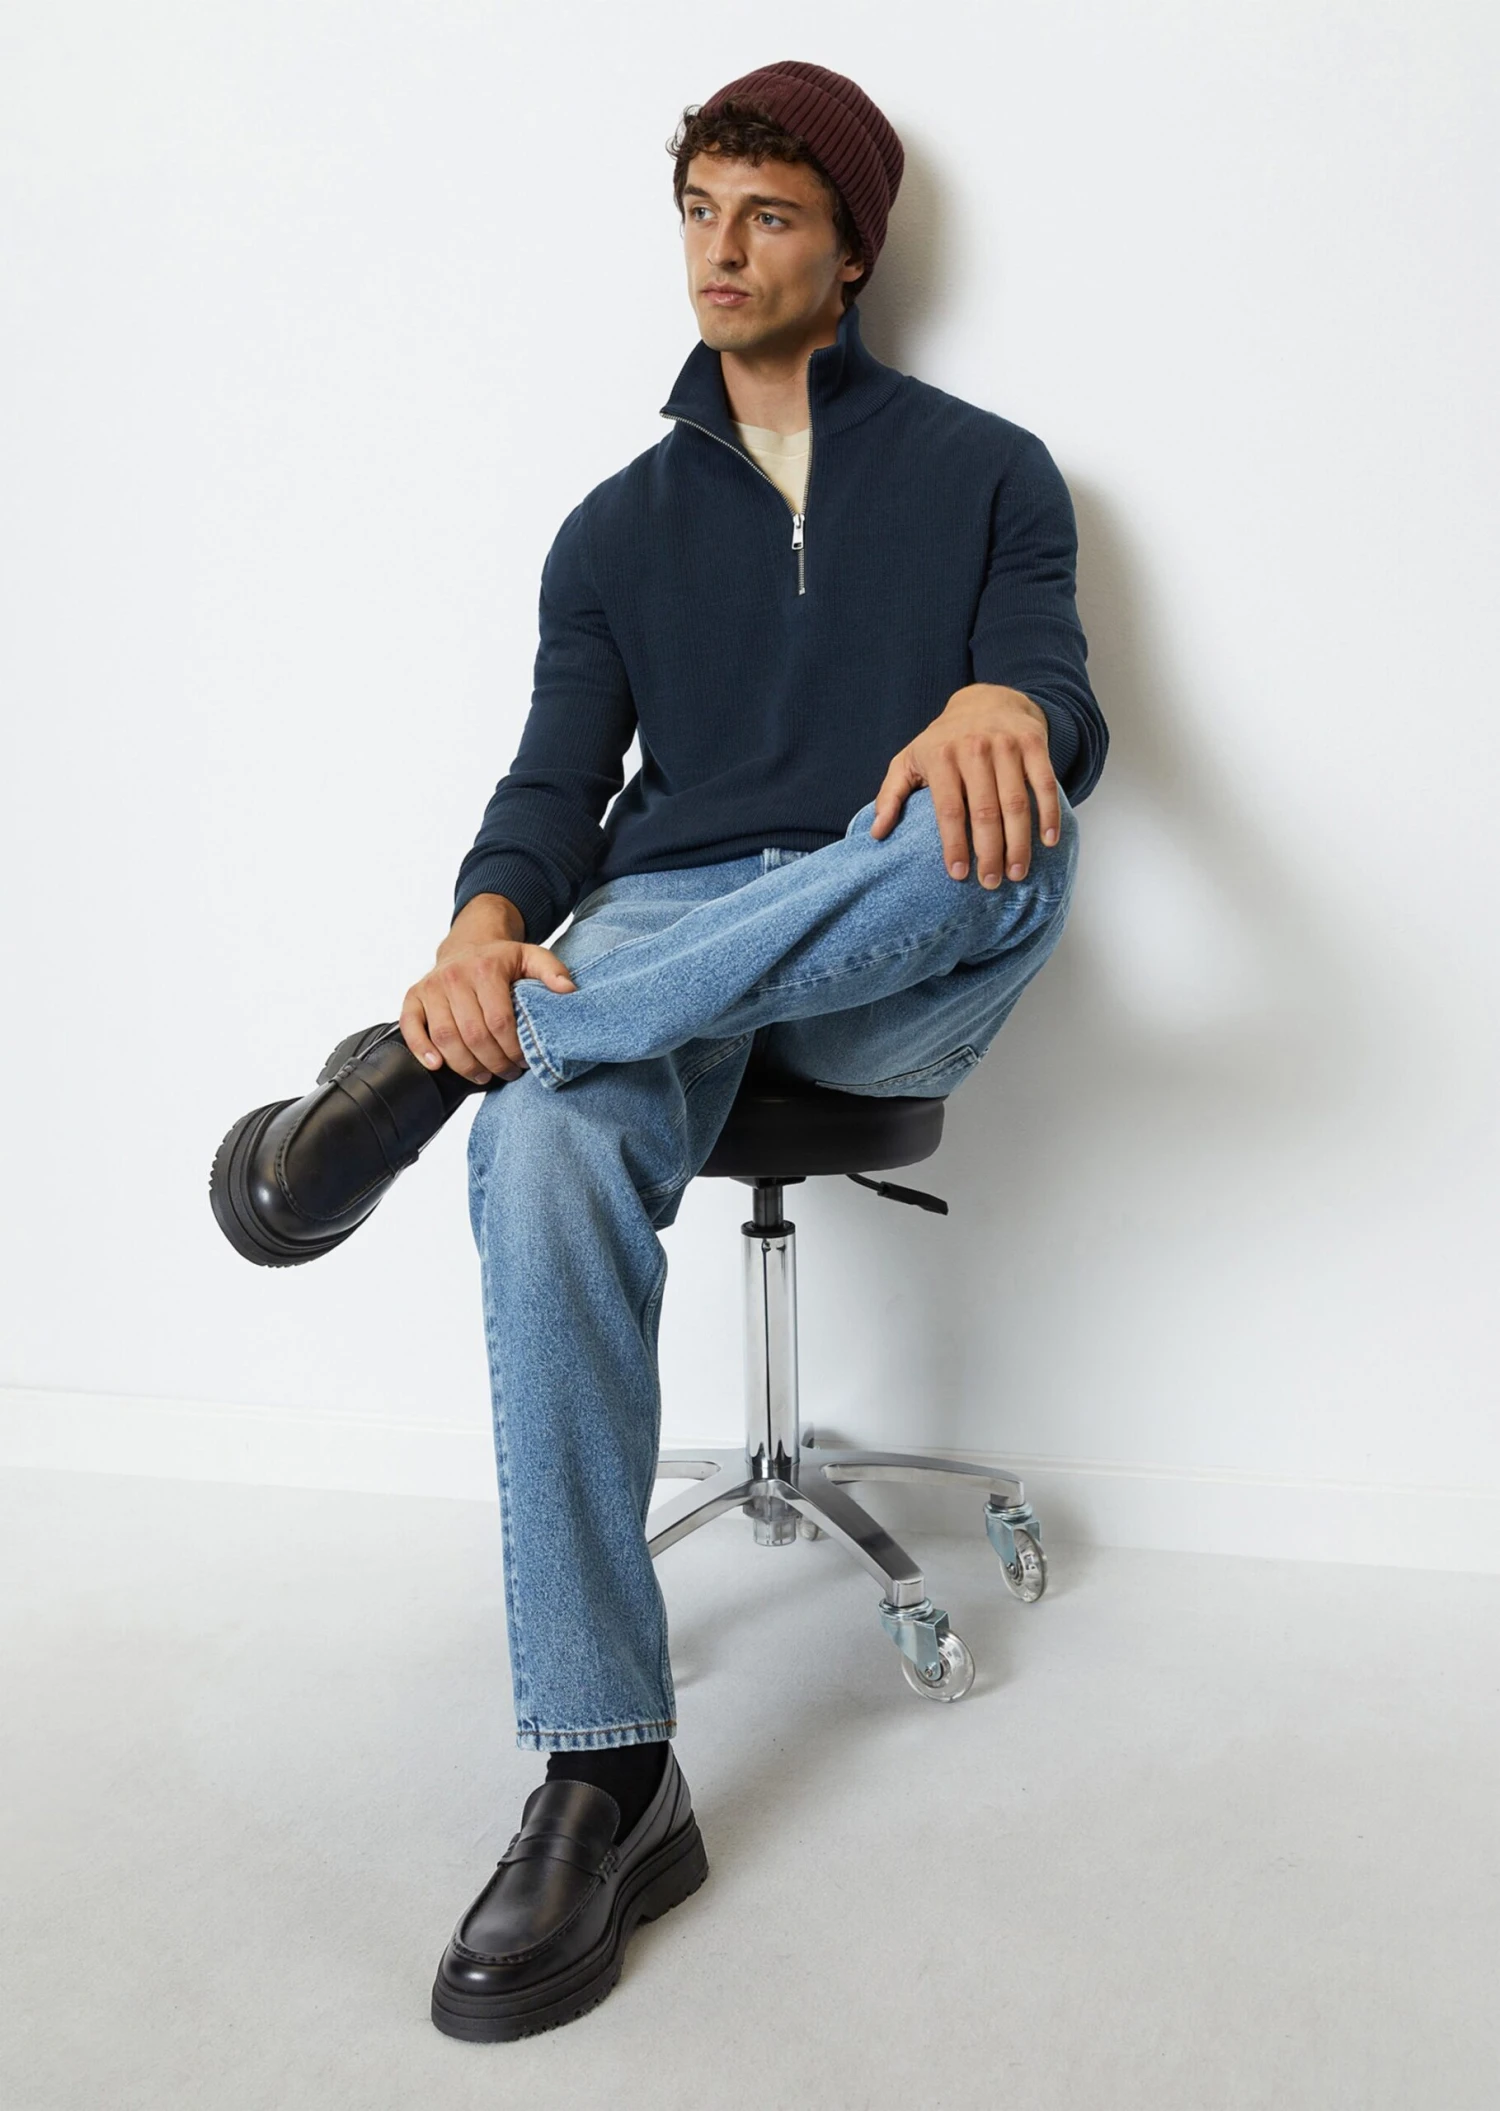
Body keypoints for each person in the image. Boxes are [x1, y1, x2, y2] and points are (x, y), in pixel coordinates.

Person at [404, 60, 1108, 2042]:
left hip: (887, 921)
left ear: (851, 251)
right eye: (701, 209)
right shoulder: (609, 532)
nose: (722, 249)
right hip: (665, 914)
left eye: (769, 215)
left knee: (1005, 826)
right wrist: (479, 928)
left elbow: (1054, 697)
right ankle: (605, 1773)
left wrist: (1001, 707)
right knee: (539, 1142)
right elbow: (553, 793)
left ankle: (513, 1042)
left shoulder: (991, 471)